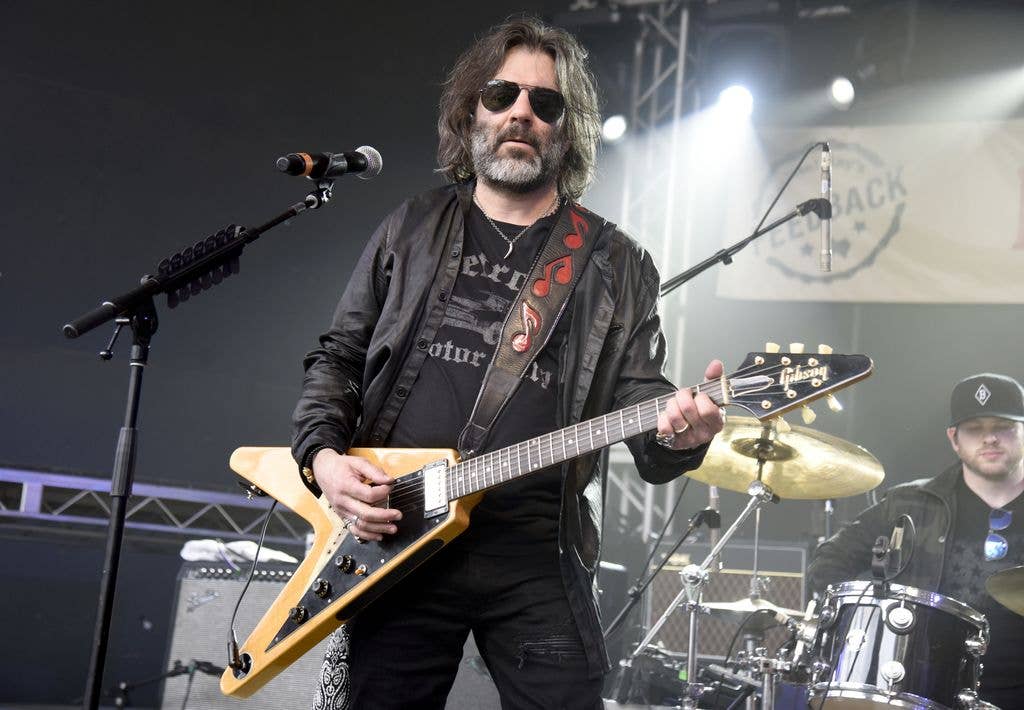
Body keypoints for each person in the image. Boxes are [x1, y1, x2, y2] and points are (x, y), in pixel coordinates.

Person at [291, 16, 725, 710]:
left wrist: (682, 433)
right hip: (398, 536)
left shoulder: (615, 263)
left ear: (567, 128)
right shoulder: (411, 227)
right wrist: (324, 460)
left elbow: (645, 403)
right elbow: (338, 358)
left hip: (535, 550)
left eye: (545, 103)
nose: (521, 112)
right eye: (502, 96)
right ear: (472, 113)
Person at [808, 372, 1024, 708]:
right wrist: (865, 631)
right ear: (954, 438)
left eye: (1003, 426)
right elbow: (830, 562)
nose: (990, 438)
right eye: (975, 429)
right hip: (924, 692)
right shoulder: (908, 503)